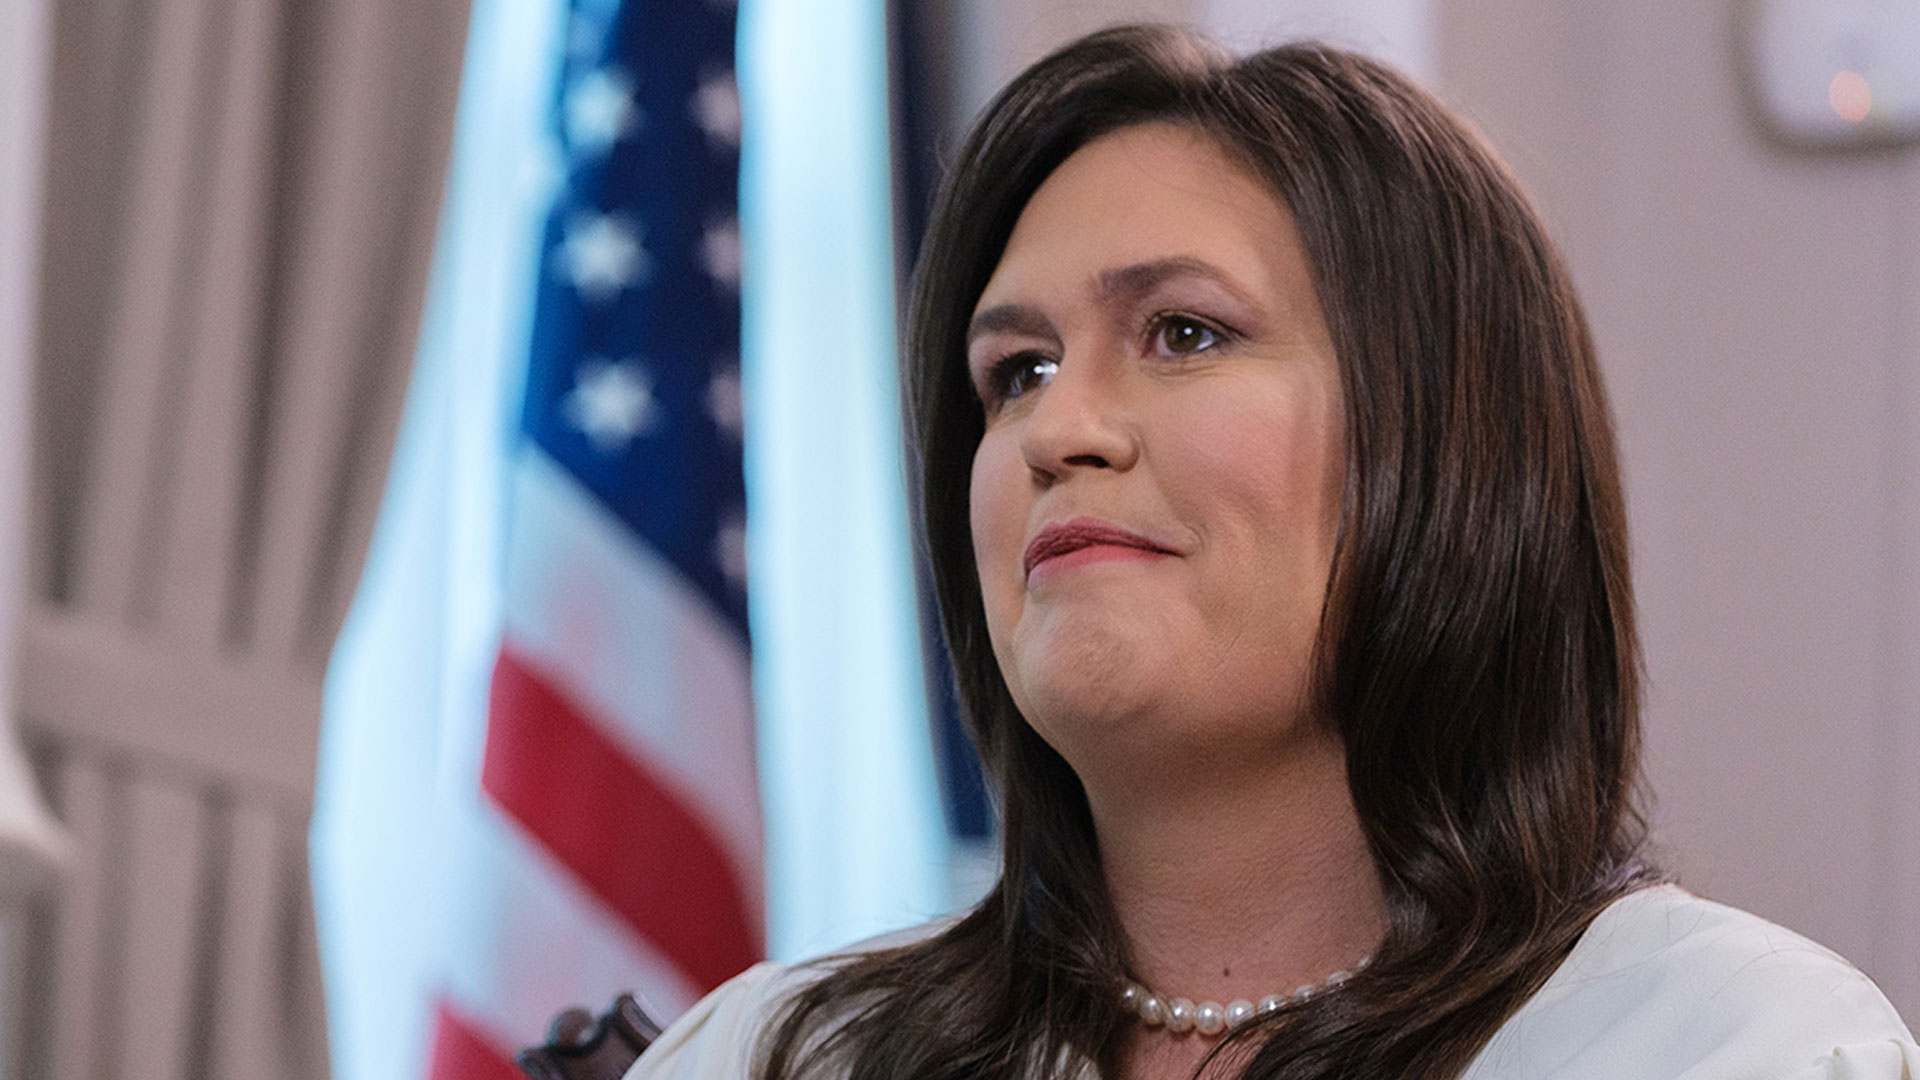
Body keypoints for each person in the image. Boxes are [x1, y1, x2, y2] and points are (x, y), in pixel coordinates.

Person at [626, 23, 1917, 1080]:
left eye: (1184, 333)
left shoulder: (1730, 1047)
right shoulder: (768, 1057)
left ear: (1451, 438)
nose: (1056, 432)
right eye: (1018, 371)